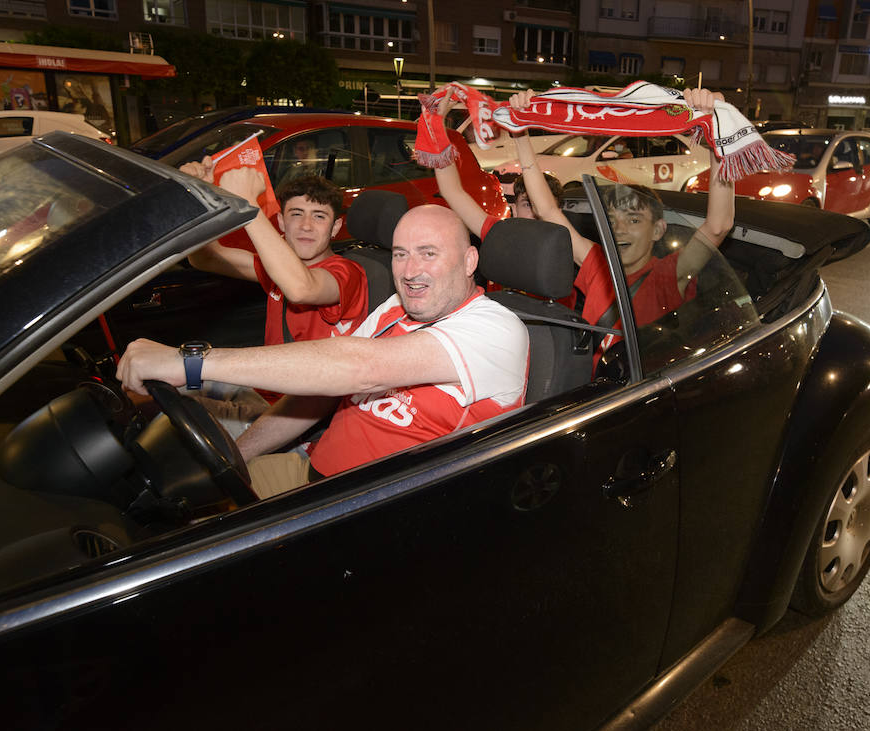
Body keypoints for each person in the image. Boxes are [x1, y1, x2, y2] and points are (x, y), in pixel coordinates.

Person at [117, 205, 530, 498]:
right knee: (175, 495)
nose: (409, 271)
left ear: (470, 260)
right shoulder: (395, 308)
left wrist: (191, 362)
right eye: (401, 254)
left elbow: (360, 368)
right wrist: (234, 458)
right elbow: (319, 392)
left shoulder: (496, 329)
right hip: (311, 476)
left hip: (370, 509)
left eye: (429, 253)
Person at [509, 87, 736, 356]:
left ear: (658, 230)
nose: (619, 229)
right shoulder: (597, 265)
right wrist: (520, 134)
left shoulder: (667, 275)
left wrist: (719, 131)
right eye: (612, 219)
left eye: (634, 219)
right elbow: (547, 210)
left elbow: (718, 225)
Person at [176, 167, 370, 433]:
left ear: (335, 227)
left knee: (177, 425)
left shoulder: (346, 273)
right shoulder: (279, 269)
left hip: (295, 415)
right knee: (172, 388)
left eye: (319, 216)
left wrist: (248, 206)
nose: (305, 226)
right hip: (263, 392)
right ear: (281, 222)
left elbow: (302, 288)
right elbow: (204, 258)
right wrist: (198, 196)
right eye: (296, 214)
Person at [428, 92, 564, 240]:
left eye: (542, 205)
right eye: (527, 205)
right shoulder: (500, 236)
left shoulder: (570, 249)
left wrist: (519, 129)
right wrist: (437, 125)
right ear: (514, 209)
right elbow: (451, 191)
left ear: (559, 212)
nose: (537, 211)